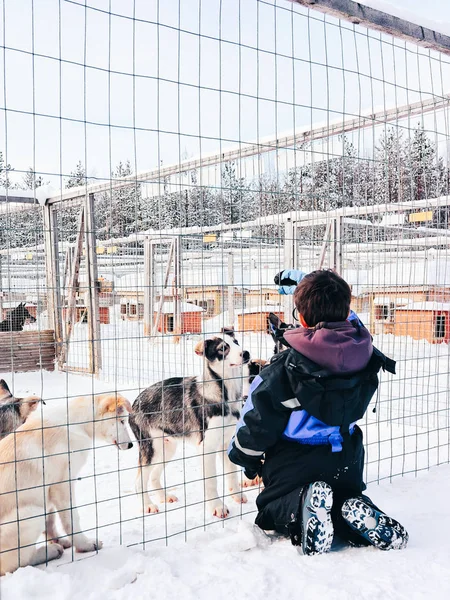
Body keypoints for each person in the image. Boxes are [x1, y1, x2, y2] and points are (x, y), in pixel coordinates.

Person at [228, 269, 408, 555]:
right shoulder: (366, 356)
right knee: (342, 499)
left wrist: (244, 458)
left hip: (295, 464)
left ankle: (301, 506)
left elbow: (256, 427)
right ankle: (353, 510)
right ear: (347, 309)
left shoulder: (283, 371)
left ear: (300, 317)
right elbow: (349, 325)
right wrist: (314, 288)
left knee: (270, 509)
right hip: (346, 459)